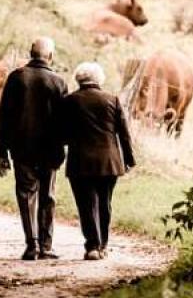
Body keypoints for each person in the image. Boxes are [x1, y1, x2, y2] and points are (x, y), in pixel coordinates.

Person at [0, 37, 68, 260]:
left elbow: (4, 118)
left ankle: (32, 245)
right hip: (51, 150)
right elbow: (65, 121)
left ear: (30, 52)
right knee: (48, 196)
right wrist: (65, 146)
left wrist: (2, 152)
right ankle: (46, 246)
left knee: (26, 195)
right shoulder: (58, 82)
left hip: (22, 148)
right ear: (51, 56)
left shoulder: (16, 78)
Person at [62, 62, 136, 260]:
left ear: (78, 79)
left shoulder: (69, 101)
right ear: (99, 79)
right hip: (109, 161)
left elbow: (62, 133)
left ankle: (92, 246)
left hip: (80, 161)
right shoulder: (112, 100)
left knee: (86, 205)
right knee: (105, 202)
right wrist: (129, 159)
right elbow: (124, 133)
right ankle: (103, 245)